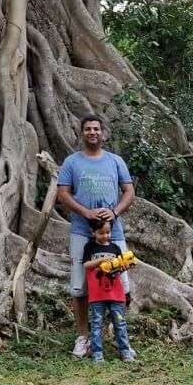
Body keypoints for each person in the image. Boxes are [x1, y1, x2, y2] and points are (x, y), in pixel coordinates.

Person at [57, 114, 136, 359]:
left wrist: (113, 212)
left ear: (103, 133)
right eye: (88, 129)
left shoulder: (115, 161)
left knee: (123, 287)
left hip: (114, 233)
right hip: (82, 232)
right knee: (79, 287)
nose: (92, 132)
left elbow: (129, 191)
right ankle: (83, 337)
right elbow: (63, 193)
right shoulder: (72, 162)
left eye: (96, 129)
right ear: (82, 133)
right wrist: (86, 212)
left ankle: (114, 331)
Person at [83, 219, 136, 363]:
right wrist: (101, 261)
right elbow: (86, 265)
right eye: (101, 233)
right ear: (93, 232)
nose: (105, 235)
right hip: (97, 293)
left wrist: (123, 267)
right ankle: (97, 353)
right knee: (96, 323)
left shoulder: (115, 248)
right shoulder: (90, 247)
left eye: (108, 232)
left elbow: (118, 269)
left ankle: (125, 351)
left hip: (116, 293)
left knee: (120, 322)